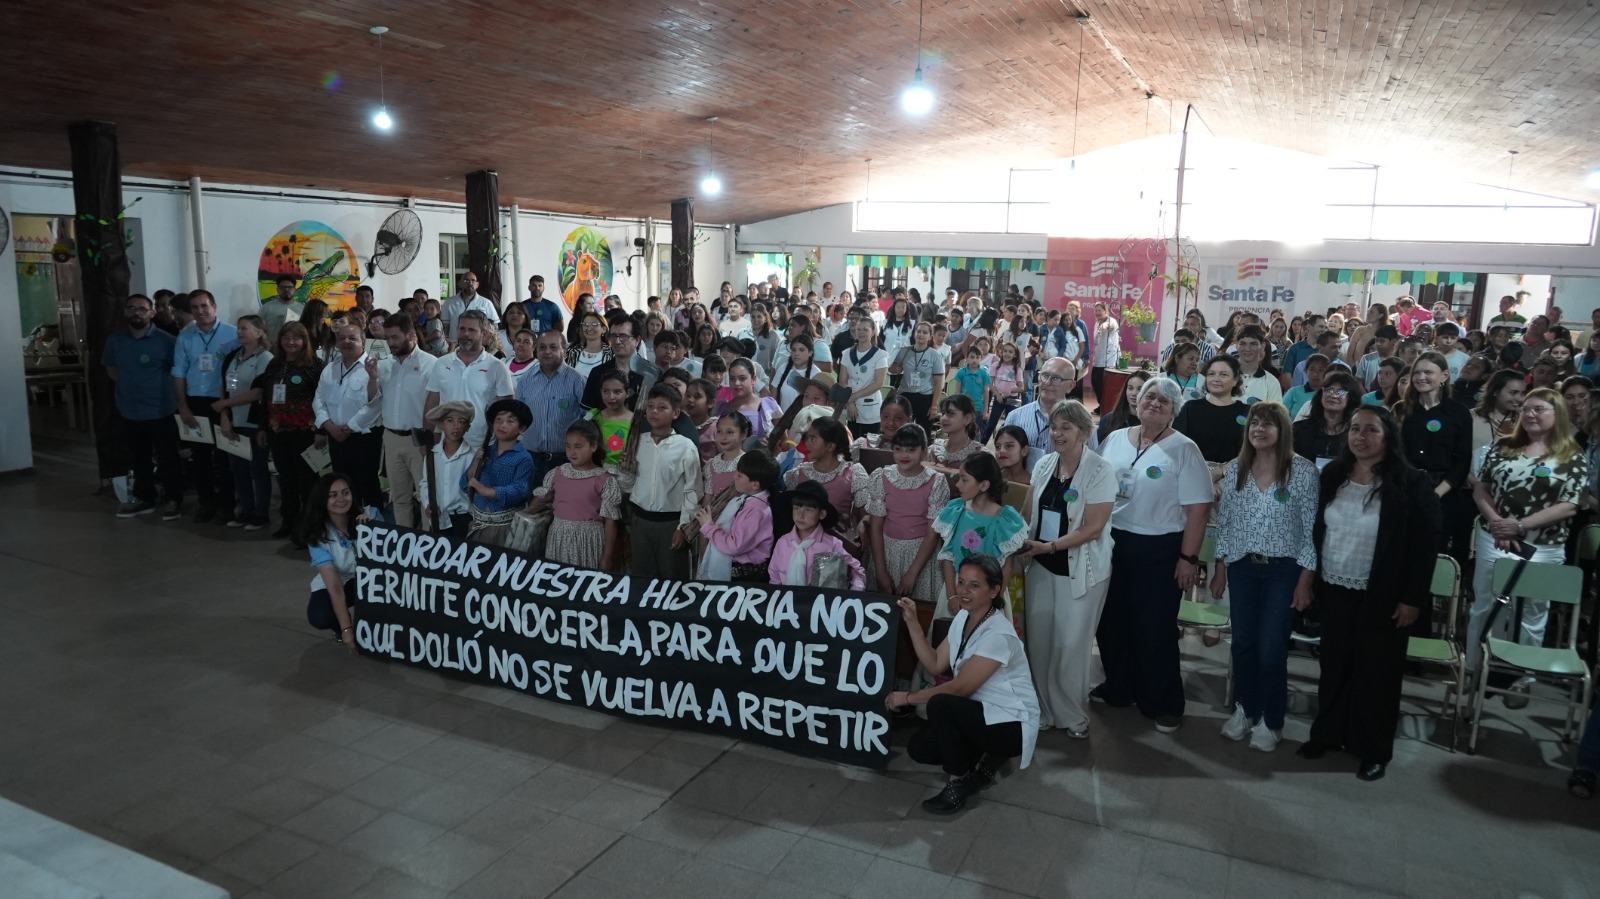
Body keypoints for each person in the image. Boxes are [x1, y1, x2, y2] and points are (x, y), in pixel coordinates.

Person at [1298, 406, 1440, 781]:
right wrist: (1309, 580)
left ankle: (1372, 749)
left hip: (1386, 594)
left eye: (1371, 430)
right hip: (1335, 586)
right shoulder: (1333, 475)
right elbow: (1316, 531)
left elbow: (1425, 548)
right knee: (1335, 665)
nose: (1360, 436)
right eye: (1355, 429)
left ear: (1388, 436)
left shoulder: (1411, 483)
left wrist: (1412, 599)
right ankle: (1326, 734)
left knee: (1377, 674)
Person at [1094, 377, 1211, 733]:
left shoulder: (1185, 449)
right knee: (1111, 622)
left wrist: (1188, 559)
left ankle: (1163, 701)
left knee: (1154, 628)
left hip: (1159, 547)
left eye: (1163, 400)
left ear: (1174, 411)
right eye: (1148, 396)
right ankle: (1119, 687)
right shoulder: (1115, 438)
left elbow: (1199, 509)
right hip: (1112, 542)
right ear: (1135, 401)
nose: (1154, 403)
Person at [888, 553, 1041, 814]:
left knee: (941, 704)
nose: (964, 591)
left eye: (974, 585)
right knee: (920, 749)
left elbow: (960, 689)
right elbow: (935, 663)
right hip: (980, 710)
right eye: (961, 582)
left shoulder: (998, 634)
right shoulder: (963, 617)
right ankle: (983, 757)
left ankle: (958, 783)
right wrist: (913, 624)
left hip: (1011, 723)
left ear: (994, 590)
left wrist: (907, 698)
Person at [1210, 402, 1319, 752]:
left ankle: (1271, 721)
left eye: (1268, 424)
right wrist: (1220, 567)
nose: (1259, 429)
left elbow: (1311, 531)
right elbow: (1225, 523)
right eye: (1254, 423)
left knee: (1271, 649)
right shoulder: (1236, 469)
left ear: (1282, 430)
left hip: (1283, 570)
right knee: (1242, 643)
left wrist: (1306, 580)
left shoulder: (1302, 472)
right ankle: (1245, 708)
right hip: (1243, 565)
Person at [1465, 388, 1586, 681]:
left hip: (1543, 546)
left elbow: (1569, 505)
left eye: (1539, 409)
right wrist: (1497, 521)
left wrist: (1521, 526)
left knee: (1533, 609)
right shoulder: (1504, 446)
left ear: (1557, 414)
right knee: (1485, 604)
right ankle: (1475, 668)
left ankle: (1522, 675)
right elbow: (1483, 486)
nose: (1530, 414)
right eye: (1526, 409)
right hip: (1495, 538)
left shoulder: (1572, 455)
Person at [1018, 400, 1115, 738]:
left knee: (1071, 645)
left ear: (1084, 432)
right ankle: (1044, 710)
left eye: (1066, 428)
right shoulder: (1044, 464)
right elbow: (1029, 511)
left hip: (1080, 569)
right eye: (1054, 427)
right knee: (1041, 643)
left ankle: (1073, 715)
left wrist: (1052, 546)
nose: (1057, 434)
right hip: (1041, 565)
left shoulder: (1100, 470)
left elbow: (1093, 527)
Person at [1395, 352, 1474, 597]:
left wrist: (1436, 493)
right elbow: (1395, 454)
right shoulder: (1402, 410)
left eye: (1428, 372)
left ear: (1444, 377)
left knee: (1431, 557)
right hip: (1405, 491)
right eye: (1416, 373)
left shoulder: (1459, 412)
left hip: (1443, 493)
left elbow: (1462, 462)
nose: (1421, 377)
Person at [103, 294, 183, 520]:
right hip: (130, 411)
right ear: (125, 312)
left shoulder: (167, 341)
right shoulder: (115, 341)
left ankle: (173, 499)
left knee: (168, 458)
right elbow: (112, 371)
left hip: (161, 410)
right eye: (131, 308)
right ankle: (145, 498)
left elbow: (177, 374)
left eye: (142, 308)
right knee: (139, 457)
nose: (136, 312)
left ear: (151, 313)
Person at [619, 384, 702, 579]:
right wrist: (625, 472)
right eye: (650, 406)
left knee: (673, 577)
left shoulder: (685, 446)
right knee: (642, 578)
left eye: (662, 407)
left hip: (671, 524)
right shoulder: (637, 442)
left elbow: (692, 490)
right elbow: (627, 487)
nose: (654, 412)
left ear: (675, 413)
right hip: (640, 522)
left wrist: (684, 528)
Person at [933, 452, 1028, 619]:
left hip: (988, 594)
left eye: (964, 479)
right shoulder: (957, 511)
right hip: (957, 588)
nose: (958, 484)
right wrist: (952, 594)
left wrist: (994, 601)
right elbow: (948, 556)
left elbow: (1006, 566)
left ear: (983, 485)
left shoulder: (1004, 520)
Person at [173, 289, 240, 523]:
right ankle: (206, 501)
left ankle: (228, 504)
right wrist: (183, 407)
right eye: (195, 307)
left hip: (221, 402)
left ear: (214, 306)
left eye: (204, 306)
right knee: (200, 457)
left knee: (224, 457)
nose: (200, 311)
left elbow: (235, 373)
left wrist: (227, 408)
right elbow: (179, 373)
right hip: (195, 403)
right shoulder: (185, 336)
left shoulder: (232, 334)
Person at [864, 424, 949, 602]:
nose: (904, 455)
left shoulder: (936, 482)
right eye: (898, 449)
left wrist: (912, 574)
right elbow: (876, 527)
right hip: (886, 553)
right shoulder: (881, 477)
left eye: (911, 450)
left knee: (918, 610)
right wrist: (881, 571)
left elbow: (932, 534)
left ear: (924, 451)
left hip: (921, 556)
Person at [297, 473, 381, 649]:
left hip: (374, 581)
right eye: (333, 495)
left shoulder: (371, 515)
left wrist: (376, 530)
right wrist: (346, 630)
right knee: (320, 616)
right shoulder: (317, 535)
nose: (341, 499)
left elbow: (392, 560)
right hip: (340, 582)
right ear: (322, 500)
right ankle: (342, 625)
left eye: (345, 492)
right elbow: (334, 586)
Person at [529, 419, 622, 570]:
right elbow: (536, 505)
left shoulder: (605, 480)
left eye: (578, 446)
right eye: (568, 446)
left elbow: (611, 523)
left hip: (589, 541)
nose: (572, 452)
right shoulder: (557, 473)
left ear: (593, 446)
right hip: (558, 539)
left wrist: (607, 557)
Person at [312, 324, 383, 509]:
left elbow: (375, 405)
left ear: (363, 341)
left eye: (352, 338)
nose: (346, 342)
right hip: (336, 436)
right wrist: (328, 426)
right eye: (342, 338)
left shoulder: (375, 367)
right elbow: (319, 399)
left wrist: (349, 427)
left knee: (367, 485)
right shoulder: (330, 368)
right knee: (343, 486)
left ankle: (372, 530)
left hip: (364, 438)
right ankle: (348, 527)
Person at [215, 315, 275, 530]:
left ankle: (261, 513)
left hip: (254, 421)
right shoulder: (233, 357)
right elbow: (224, 387)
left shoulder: (265, 358)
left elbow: (258, 393)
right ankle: (245, 510)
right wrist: (225, 416)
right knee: (237, 468)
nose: (239, 332)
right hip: (234, 420)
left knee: (257, 469)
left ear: (259, 332)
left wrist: (224, 404)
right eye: (239, 328)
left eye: (245, 328)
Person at [424, 310, 514, 449]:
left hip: (482, 446)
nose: (465, 334)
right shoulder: (441, 363)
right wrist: (427, 439)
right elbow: (432, 402)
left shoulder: (497, 367)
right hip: (445, 444)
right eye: (462, 329)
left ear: (484, 334)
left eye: (471, 330)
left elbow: (507, 409)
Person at [514, 330, 587, 489]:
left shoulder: (577, 380)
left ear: (564, 351)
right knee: (532, 506)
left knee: (563, 508)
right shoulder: (525, 380)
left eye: (553, 347)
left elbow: (587, 419)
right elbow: (517, 417)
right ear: (536, 350)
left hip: (566, 459)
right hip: (530, 459)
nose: (547, 351)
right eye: (542, 347)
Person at [696, 450, 779, 581]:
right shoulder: (745, 499)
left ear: (755, 484)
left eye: (739, 475)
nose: (734, 477)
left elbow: (735, 546)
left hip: (744, 576)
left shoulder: (757, 511)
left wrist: (708, 526)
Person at [461, 399, 535, 547]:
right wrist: (476, 461)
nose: (502, 425)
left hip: (505, 527)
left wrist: (486, 491)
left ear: (522, 428)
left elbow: (520, 490)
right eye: (498, 419)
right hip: (478, 522)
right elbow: (465, 484)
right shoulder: (485, 452)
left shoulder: (523, 458)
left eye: (510, 421)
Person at [768, 481, 866, 588]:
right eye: (796, 508)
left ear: (822, 514)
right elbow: (775, 578)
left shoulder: (832, 544)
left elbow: (857, 571)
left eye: (808, 510)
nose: (800, 515)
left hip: (820, 602)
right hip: (786, 602)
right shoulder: (782, 542)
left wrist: (854, 591)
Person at [783, 416, 868, 531]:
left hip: (837, 544)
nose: (807, 443)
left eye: (813, 439)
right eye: (807, 438)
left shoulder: (853, 473)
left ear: (830, 446)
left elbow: (865, 517)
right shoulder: (798, 474)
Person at [1174, 355, 1249, 470]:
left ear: (1235, 380)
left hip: (1235, 475)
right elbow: (1178, 447)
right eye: (1211, 374)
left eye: (1223, 374)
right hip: (1194, 472)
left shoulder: (1247, 412)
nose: (1216, 379)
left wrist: (1222, 472)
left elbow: (1252, 451)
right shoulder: (1190, 408)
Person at [416, 401, 475, 536]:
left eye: (461, 422)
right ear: (442, 424)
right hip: (439, 518)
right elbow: (425, 483)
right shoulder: (432, 455)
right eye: (450, 421)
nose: (456, 426)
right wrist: (428, 504)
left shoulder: (472, 456)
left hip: (463, 518)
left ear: (467, 427)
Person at [1292, 371, 1358, 469]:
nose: (1333, 395)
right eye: (1329, 389)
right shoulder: (1299, 429)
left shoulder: (1356, 434)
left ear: (1351, 398)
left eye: (1340, 392)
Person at [839, 318, 889, 436]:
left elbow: (878, 384)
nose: (861, 332)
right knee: (853, 443)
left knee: (870, 445)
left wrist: (852, 397)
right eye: (859, 329)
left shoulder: (880, 355)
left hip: (871, 407)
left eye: (865, 330)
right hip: (851, 407)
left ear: (872, 332)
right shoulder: (847, 353)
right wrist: (850, 403)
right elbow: (842, 381)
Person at [716, 358, 783, 445]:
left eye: (742, 378)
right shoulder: (723, 408)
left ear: (753, 379)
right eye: (732, 379)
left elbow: (783, 439)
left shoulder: (768, 405)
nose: (736, 383)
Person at [891, 322, 945, 430]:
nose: (921, 334)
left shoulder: (935, 355)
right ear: (914, 333)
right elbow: (891, 368)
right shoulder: (904, 350)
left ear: (930, 336)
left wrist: (934, 406)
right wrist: (895, 369)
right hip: (906, 394)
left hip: (925, 397)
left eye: (925, 332)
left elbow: (939, 382)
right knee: (902, 430)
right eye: (918, 331)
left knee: (924, 432)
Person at [1471, 368, 1526, 452]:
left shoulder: (1523, 422)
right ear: (1495, 391)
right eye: (1513, 393)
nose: (1520, 398)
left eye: (1522, 393)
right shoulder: (1471, 416)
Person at [1095, 370, 1148, 445]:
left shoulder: (1152, 425)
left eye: (1139, 389)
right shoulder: (1109, 420)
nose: (1134, 393)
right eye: (1130, 388)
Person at [931, 394, 982, 472]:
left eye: (951, 413)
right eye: (943, 413)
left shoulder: (978, 455)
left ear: (967, 419)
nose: (944, 418)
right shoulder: (935, 449)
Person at [440, 272, 500, 336]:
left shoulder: (486, 303)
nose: (470, 283)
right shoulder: (449, 302)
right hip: (455, 342)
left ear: (477, 284)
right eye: (466, 280)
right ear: (460, 283)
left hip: (478, 344)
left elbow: (494, 326)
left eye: (473, 280)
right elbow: (445, 327)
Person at [1089, 301, 1121, 413]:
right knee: (1095, 382)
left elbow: (1109, 326)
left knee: (1105, 385)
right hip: (1098, 359)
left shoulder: (1111, 321)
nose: (1097, 313)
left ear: (1105, 311)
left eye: (1100, 310)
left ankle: (1106, 407)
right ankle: (1102, 404)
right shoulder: (1096, 323)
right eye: (1096, 310)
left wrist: (1104, 325)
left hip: (1109, 360)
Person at [260, 276, 304, 345]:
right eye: (282, 287)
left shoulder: (302, 308)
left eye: (290, 287)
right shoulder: (266, 307)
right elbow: (259, 329)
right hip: (273, 348)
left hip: (294, 347)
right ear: (277, 290)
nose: (286, 290)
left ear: (295, 290)